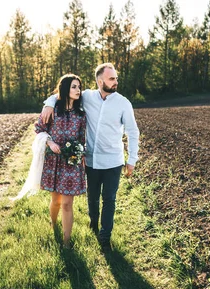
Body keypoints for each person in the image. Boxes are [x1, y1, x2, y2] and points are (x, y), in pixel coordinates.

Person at [41, 63, 140, 251]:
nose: (116, 82)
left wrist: (131, 159)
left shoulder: (123, 103)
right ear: (100, 81)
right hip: (92, 160)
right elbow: (62, 92)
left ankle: (105, 236)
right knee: (93, 197)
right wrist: (49, 103)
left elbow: (133, 132)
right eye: (112, 79)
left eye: (116, 78)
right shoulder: (87, 96)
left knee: (109, 198)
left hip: (113, 160)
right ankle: (93, 223)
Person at [34, 73, 87, 249]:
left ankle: (66, 242)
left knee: (66, 203)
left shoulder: (81, 114)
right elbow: (39, 128)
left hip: (71, 162)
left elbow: (82, 138)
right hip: (53, 161)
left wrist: (81, 155)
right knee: (56, 200)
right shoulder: (52, 109)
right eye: (74, 87)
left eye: (79, 87)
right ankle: (53, 225)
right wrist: (50, 142)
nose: (78, 90)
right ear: (65, 88)